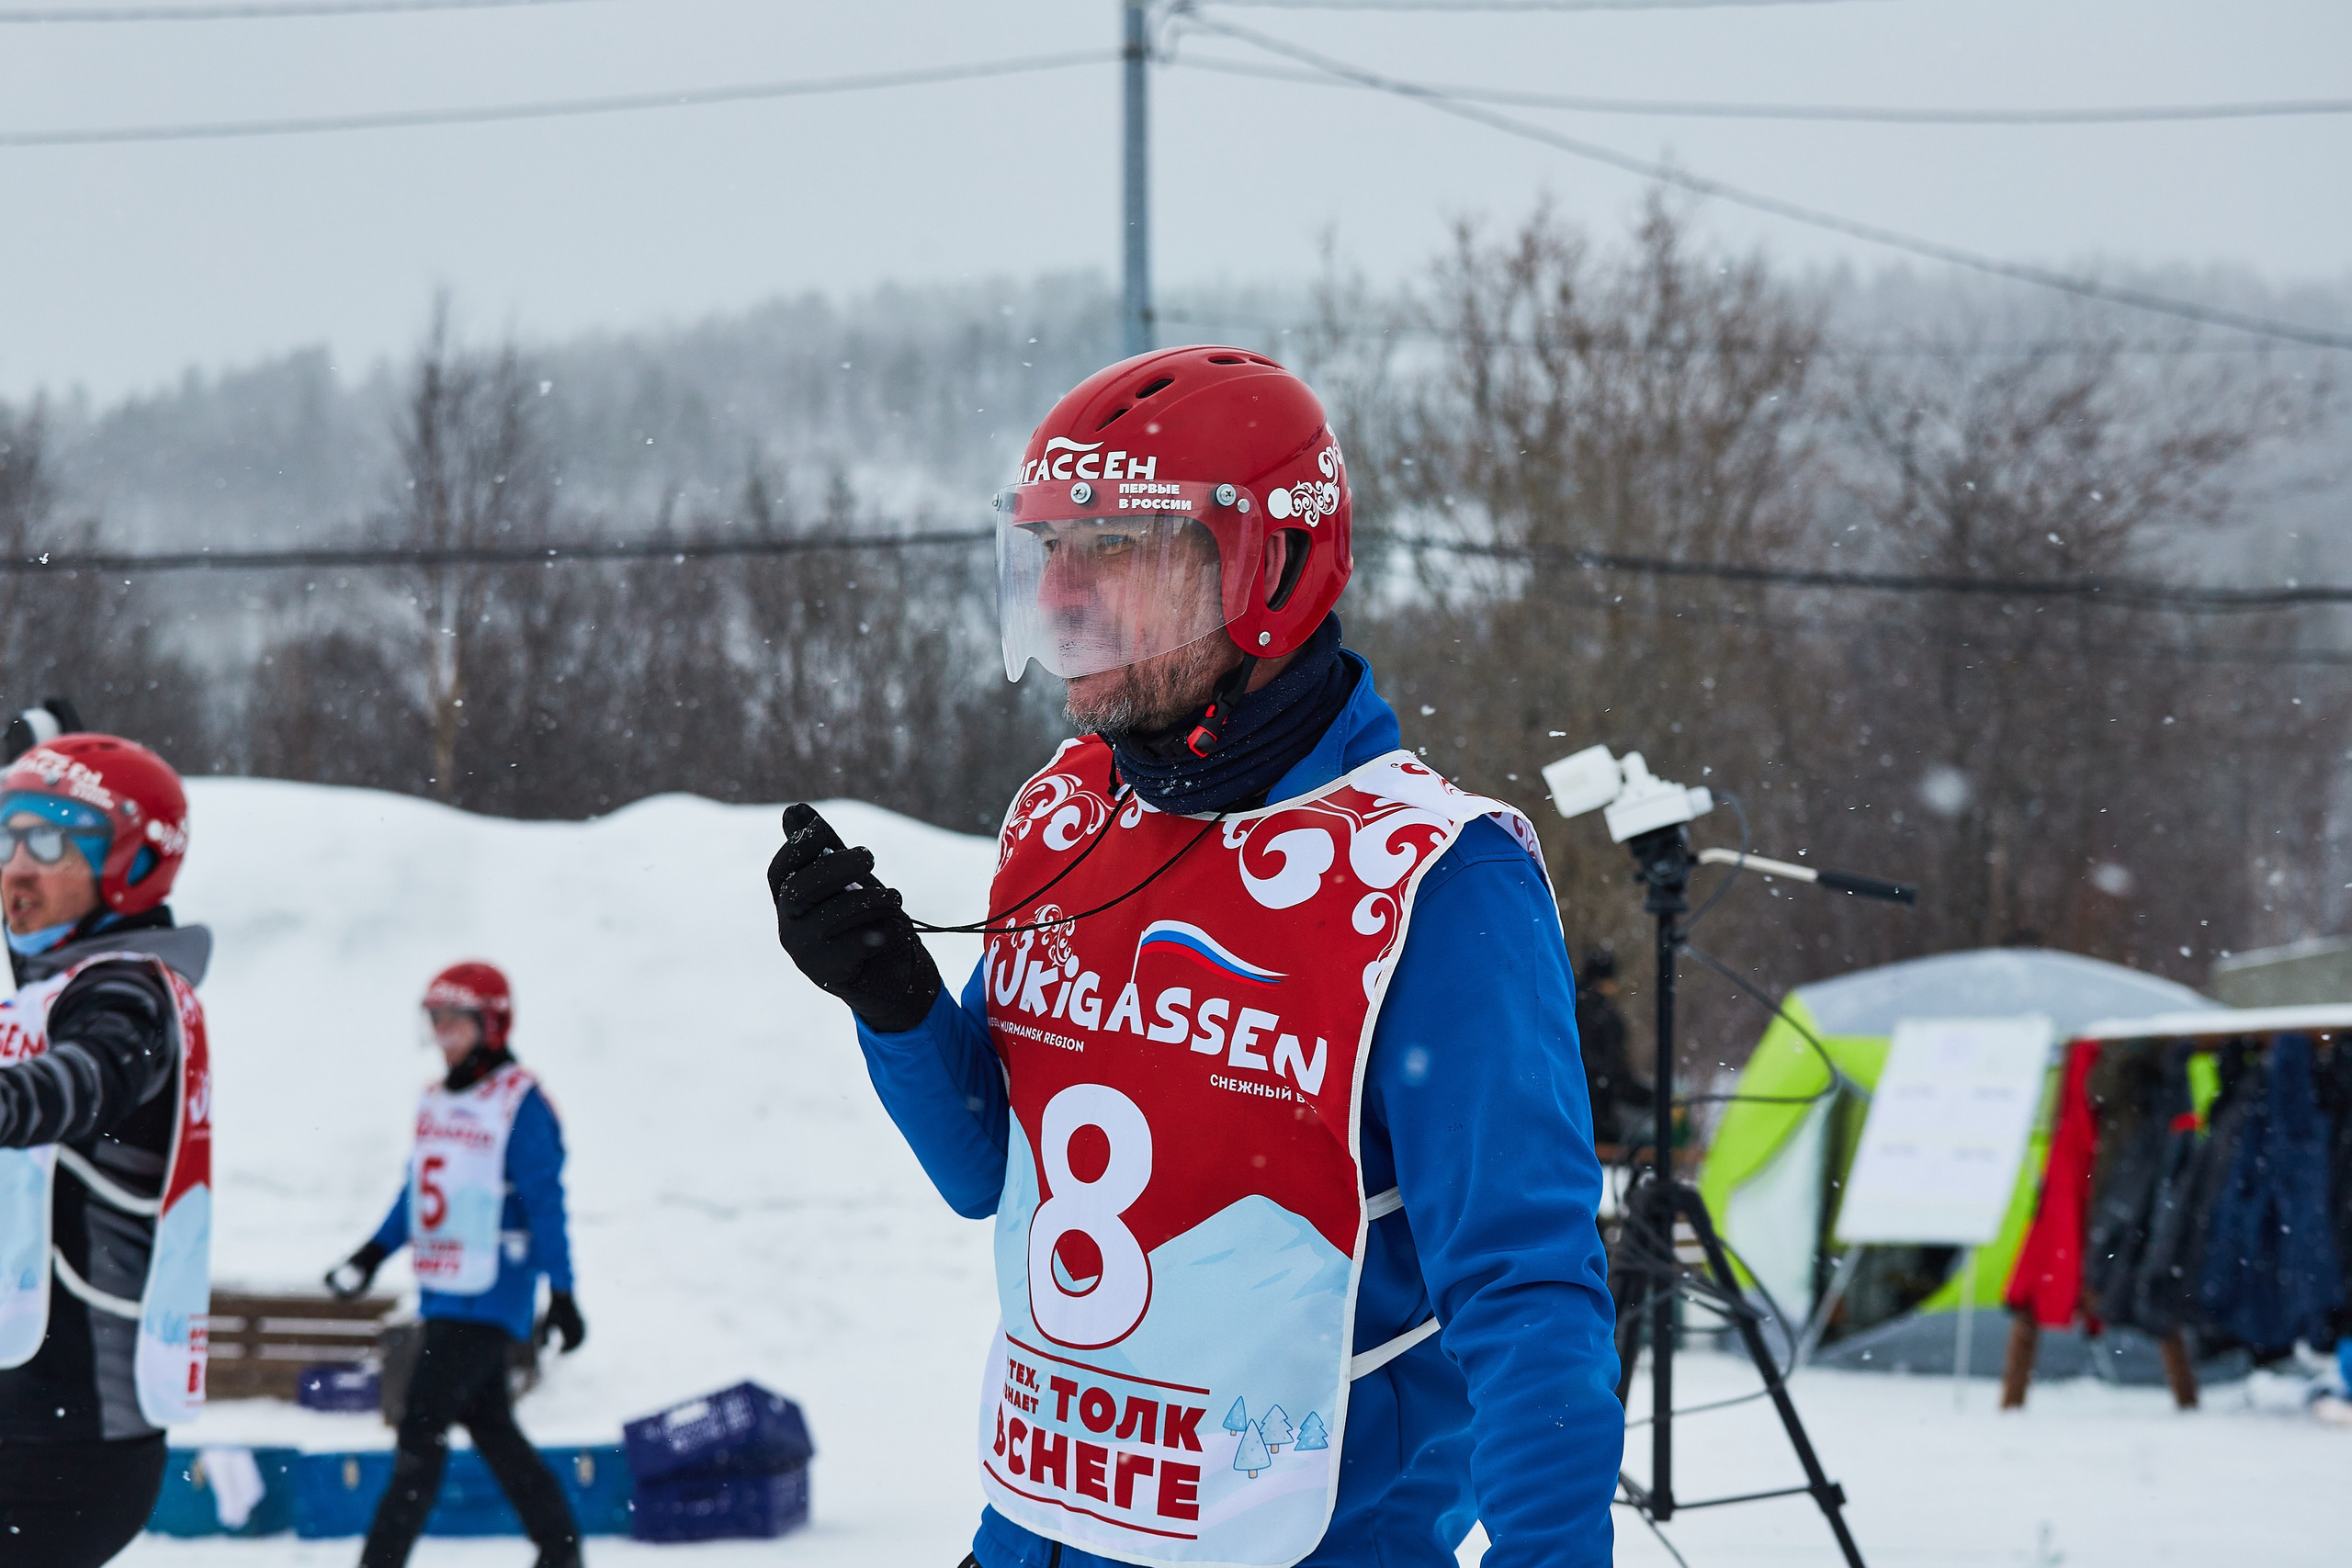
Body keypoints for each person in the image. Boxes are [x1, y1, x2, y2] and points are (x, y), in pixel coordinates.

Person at [769, 348, 1619, 1568]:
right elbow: (985, 1169)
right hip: (1031, 1530)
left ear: (1266, 566)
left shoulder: (1435, 881)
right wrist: (896, 1004)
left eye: (1115, 547)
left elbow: (1529, 1295)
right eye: (1048, 550)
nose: (1064, 595)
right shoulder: (1072, 810)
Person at [0, 735, 211, 1568]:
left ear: (129, 862)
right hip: (40, 1418)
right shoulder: (64, 984)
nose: (18, 865)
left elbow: (81, 1081)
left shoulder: (128, 992)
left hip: (69, 1439)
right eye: (7, 837)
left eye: (49, 842)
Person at [326, 962, 585, 1568]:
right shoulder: (439, 1098)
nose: (443, 1032)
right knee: (493, 1428)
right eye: (435, 1019)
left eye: (455, 1019)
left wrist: (564, 1292)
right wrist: (370, 1253)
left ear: (490, 1024)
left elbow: (547, 1202)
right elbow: (419, 1190)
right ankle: (561, 1550)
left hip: (489, 1296)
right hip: (445, 1289)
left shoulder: (519, 1102)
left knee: (420, 1426)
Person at [1574, 946, 1652, 1154]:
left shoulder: (1567, 1005)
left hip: (1567, 1114)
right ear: (1609, 981)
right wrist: (1655, 1100)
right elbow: (1616, 1075)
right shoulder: (1606, 1017)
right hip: (1598, 1122)